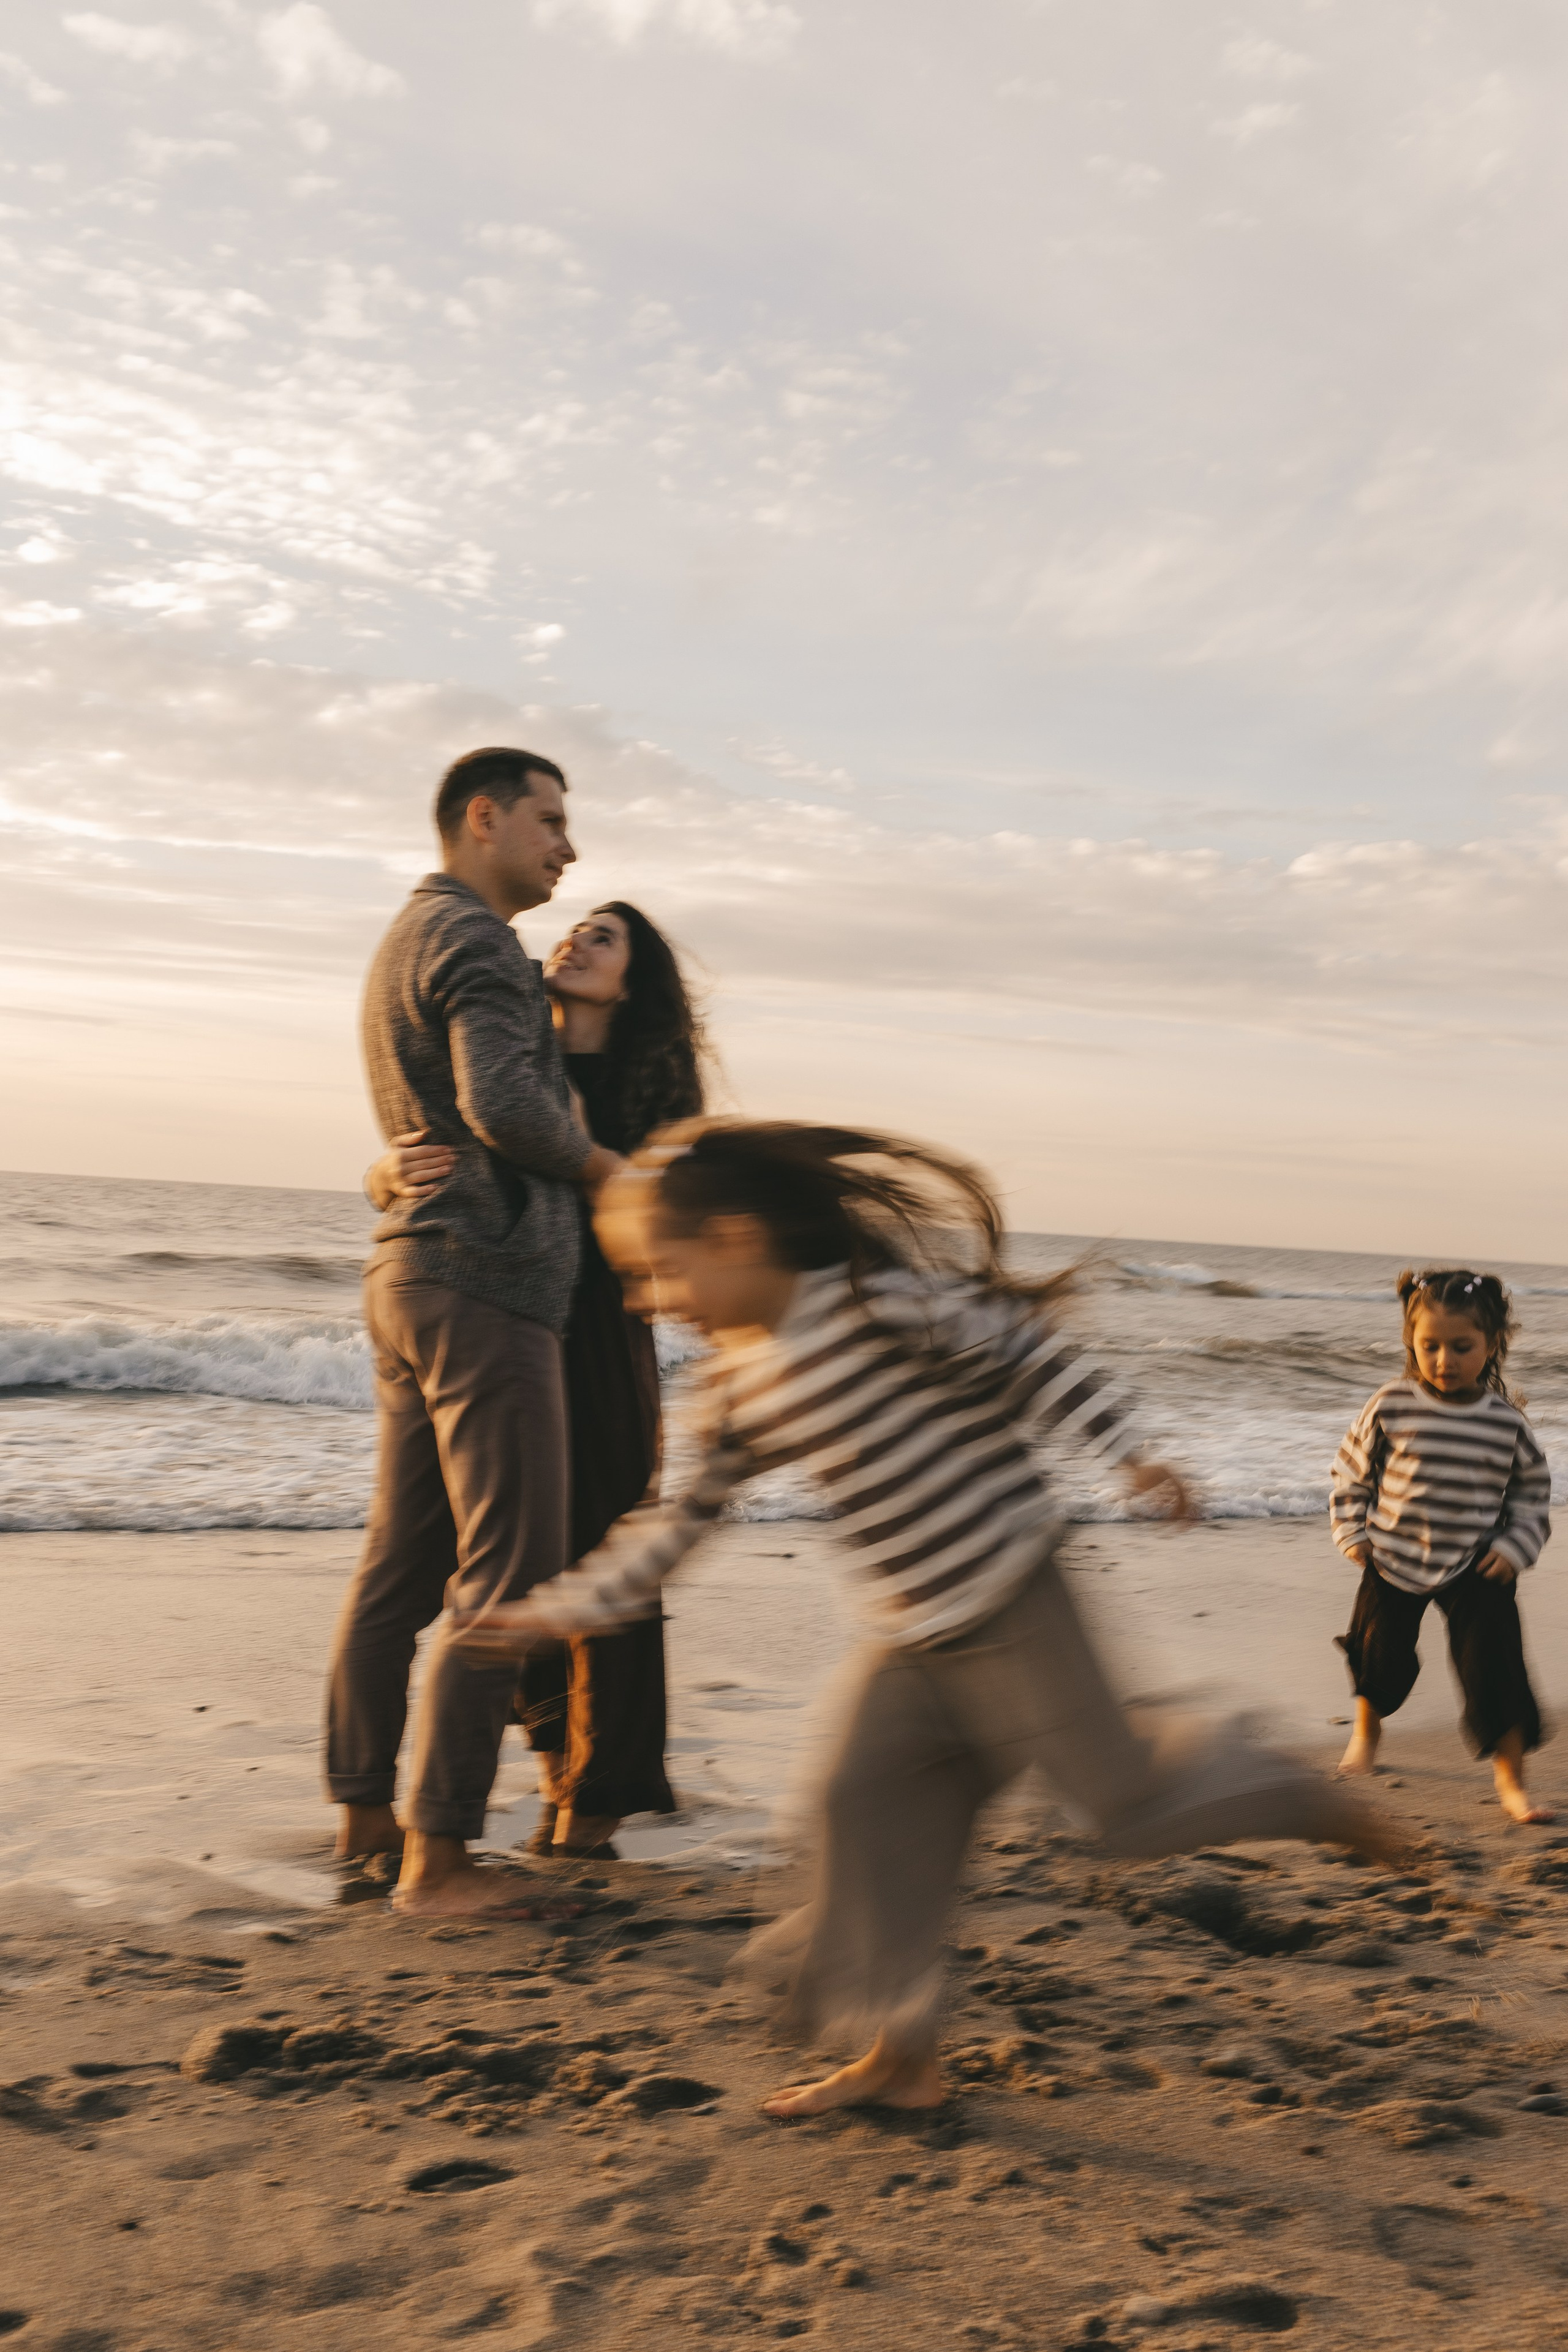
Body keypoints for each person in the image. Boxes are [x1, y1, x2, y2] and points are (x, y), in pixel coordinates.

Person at [450, 1120, 1398, 2114]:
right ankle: (902, 2057)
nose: (650, 1302)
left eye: (658, 1273)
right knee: (859, 1812)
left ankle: (1284, 1788)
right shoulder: (732, 1388)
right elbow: (674, 1532)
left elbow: (1031, 1355)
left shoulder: (879, 1307)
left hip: (1011, 1597)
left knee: (1119, 1806)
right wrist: (557, 1612)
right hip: (908, 1640)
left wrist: (1130, 1454)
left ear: (734, 1240)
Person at [324, 745, 622, 1920]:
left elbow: (430, 1116)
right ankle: (438, 1859)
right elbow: (498, 1107)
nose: (568, 845)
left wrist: (380, 1178)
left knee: (398, 1572)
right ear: (482, 819)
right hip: (485, 1289)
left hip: (414, 1282)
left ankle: (363, 1815)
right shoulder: (477, 941)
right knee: (506, 1577)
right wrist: (614, 1176)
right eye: (550, 821)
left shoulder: (410, 936)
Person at [368, 901, 704, 1859]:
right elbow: (441, 1144)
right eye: (575, 931)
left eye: (603, 939)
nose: (574, 941)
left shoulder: (652, 1096)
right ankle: (558, 1764)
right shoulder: (513, 1062)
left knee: (609, 1556)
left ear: (634, 983)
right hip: (509, 1313)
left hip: (601, 1331)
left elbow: (678, 1223)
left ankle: (600, 1797)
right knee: (518, 1556)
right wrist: (381, 1176)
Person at [1332, 1267, 1553, 1823]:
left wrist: (1516, 1545)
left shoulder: (1506, 1424)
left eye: (1462, 1347)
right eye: (1430, 1346)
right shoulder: (1390, 1404)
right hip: (1392, 1556)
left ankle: (1512, 1782)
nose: (1444, 1361)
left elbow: (1532, 1496)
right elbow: (1351, 1472)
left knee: (1495, 1669)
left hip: (1477, 1566)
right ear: (1412, 1340)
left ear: (1492, 1344)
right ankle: (1365, 1735)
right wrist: (1353, 1533)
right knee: (1377, 1654)